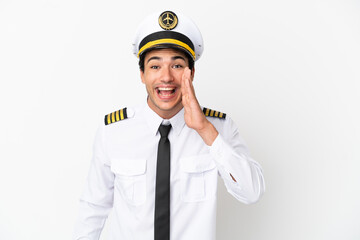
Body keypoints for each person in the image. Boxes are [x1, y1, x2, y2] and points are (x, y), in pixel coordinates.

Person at [73, 10, 265, 240]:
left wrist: (205, 130)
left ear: (191, 73)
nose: (166, 77)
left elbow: (252, 192)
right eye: (155, 66)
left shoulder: (218, 128)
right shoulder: (113, 131)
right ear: (142, 74)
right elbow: (93, 209)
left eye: (177, 65)